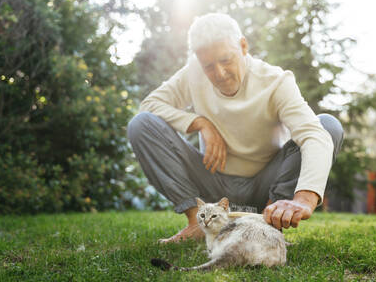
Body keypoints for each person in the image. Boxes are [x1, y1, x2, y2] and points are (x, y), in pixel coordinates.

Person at [128, 13, 343, 243]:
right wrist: (200, 123)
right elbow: (149, 106)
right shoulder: (193, 72)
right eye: (209, 66)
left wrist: (304, 198)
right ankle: (197, 224)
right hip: (214, 187)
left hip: (266, 186)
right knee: (141, 124)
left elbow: (313, 135)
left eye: (226, 60)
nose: (219, 73)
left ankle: (269, 222)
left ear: (243, 46)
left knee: (328, 126)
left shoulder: (276, 80)